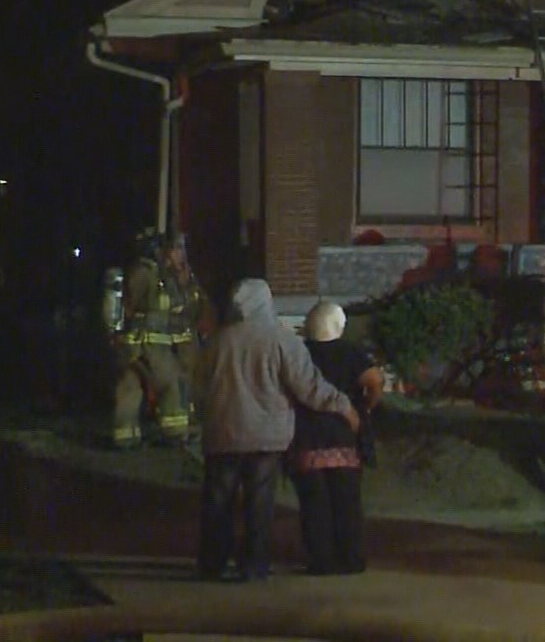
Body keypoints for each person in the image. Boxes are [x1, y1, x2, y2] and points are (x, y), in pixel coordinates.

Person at [199, 278, 359, 583]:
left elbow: (198, 385)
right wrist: (343, 405)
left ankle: (212, 563)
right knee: (259, 503)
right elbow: (309, 387)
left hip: (222, 434)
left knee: (219, 502)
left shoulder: (218, 342)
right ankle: (254, 565)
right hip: (266, 436)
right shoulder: (282, 341)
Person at [287, 300, 383, 575]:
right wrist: (366, 407)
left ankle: (321, 560)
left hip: (306, 436)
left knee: (314, 503)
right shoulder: (351, 353)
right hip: (343, 434)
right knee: (346, 501)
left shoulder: (300, 353)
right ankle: (351, 558)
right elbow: (374, 381)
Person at [111, 229, 202, 449]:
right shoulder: (148, 272)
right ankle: (175, 432)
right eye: (175, 248)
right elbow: (142, 307)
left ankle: (125, 437)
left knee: (130, 387)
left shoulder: (154, 273)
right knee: (171, 384)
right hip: (150, 344)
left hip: (136, 344)